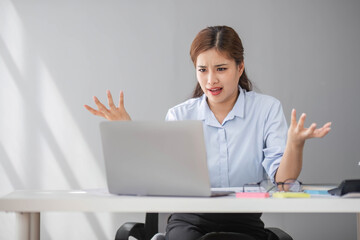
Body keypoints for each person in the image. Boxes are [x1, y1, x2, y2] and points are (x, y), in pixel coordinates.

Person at [84, 26, 331, 240]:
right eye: (202, 70)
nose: (211, 79)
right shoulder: (180, 115)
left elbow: (283, 183)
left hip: (243, 221)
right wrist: (130, 133)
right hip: (189, 220)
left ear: (240, 67)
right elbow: (160, 179)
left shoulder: (266, 109)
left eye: (221, 68)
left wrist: (295, 145)